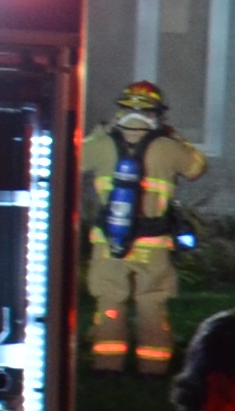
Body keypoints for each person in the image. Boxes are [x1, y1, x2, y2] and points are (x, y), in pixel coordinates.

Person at [82, 81, 212, 370]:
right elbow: (196, 168)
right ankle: (153, 368)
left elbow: (72, 158)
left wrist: (99, 132)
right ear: (157, 113)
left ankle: (107, 365)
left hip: (109, 243)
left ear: (121, 110)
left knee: (110, 301)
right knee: (152, 303)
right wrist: (176, 137)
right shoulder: (167, 147)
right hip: (153, 244)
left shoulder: (101, 144)